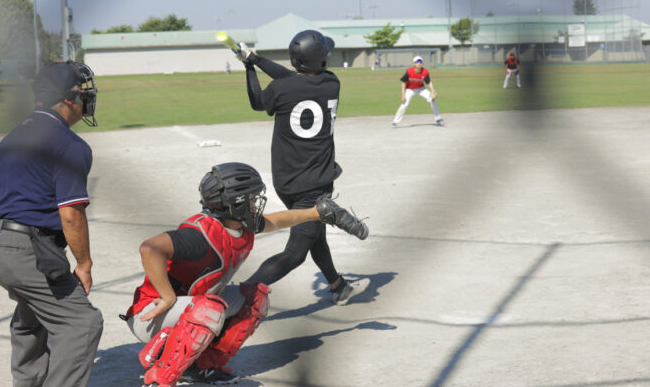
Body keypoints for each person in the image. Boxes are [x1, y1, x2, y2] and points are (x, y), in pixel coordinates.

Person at [123, 162, 367, 386]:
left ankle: (201, 366)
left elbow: (277, 221)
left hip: (189, 309)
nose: (256, 204)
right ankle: (159, 379)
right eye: (251, 200)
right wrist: (167, 296)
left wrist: (316, 212)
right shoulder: (199, 235)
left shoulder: (240, 226)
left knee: (255, 297)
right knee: (210, 309)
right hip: (151, 314)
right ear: (235, 205)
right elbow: (149, 249)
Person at [0, 61, 102, 387]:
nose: (86, 98)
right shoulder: (70, 144)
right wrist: (84, 264)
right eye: (82, 92)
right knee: (82, 323)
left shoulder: (15, 135)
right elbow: (71, 214)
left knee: (32, 314)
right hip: (26, 250)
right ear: (68, 99)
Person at [229, 30, 369, 306]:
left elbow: (259, 101)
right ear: (320, 61)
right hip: (314, 184)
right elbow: (293, 79)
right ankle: (235, 297)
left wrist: (251, 65)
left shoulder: (281, 89)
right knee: (295, 254)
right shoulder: (332, 83)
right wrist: (255, 60)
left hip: (285, 181)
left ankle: (338, 287)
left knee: (315, 234)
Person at [391, 55, 444, 127]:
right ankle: (395, 121)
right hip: (409, 89)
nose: (419, 63)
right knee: (404, 104)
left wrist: (432, 90)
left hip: (421, 89)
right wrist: (403, 95)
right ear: (414, 63)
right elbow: (403, 83)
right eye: (417, 61)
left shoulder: (425, 71)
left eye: (420, 61)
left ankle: (438, 119)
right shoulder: (409, 71)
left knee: (432, 99)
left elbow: (428, 82)